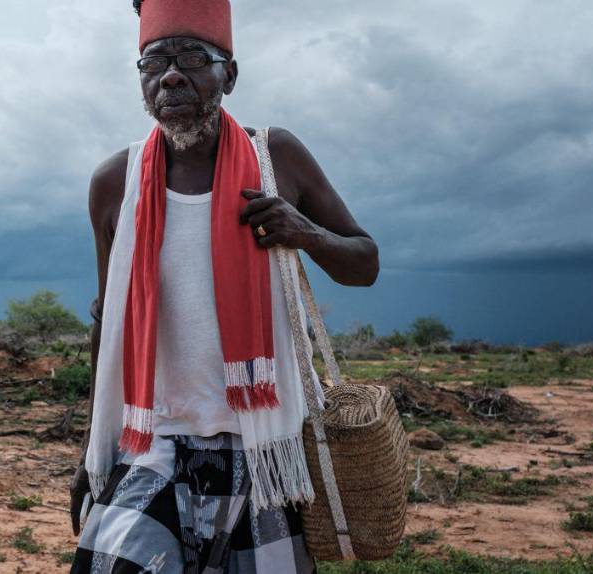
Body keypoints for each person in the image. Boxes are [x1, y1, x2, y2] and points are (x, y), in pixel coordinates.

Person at [69, 1, 380, 571]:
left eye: (192, 58)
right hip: (152, 440)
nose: (170, 75)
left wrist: (305, 232)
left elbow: (364, 264)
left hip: (264, 447)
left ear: (229, 75)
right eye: (154, 62)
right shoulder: (115, 182)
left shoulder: (276, 157)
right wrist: (91, 451)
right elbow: (106, 322)